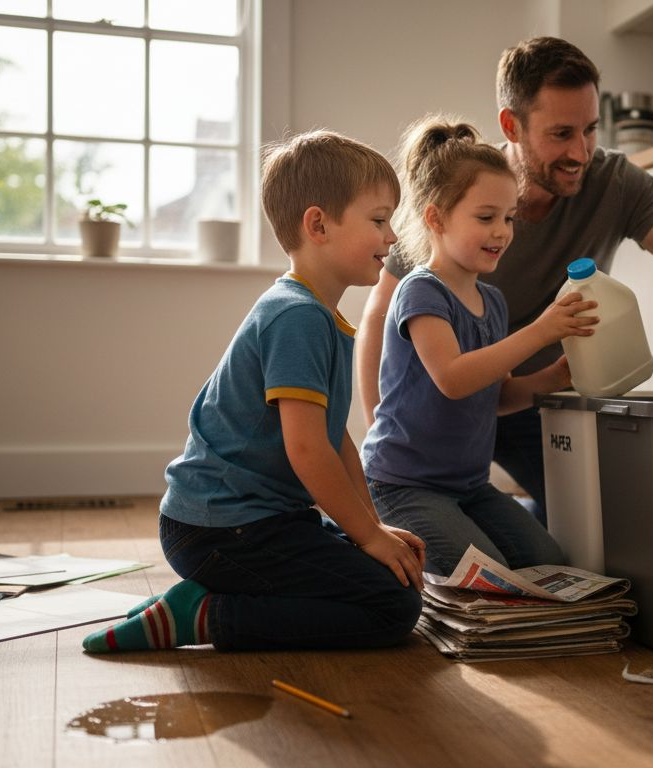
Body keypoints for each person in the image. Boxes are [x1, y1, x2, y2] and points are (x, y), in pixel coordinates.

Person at [355, 37, 653, 526]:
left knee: (591, 522)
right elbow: (380, 319)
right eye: (561, 133)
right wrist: (383, 460)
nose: (581, 152)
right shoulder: (462, 196)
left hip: (531, 399)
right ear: (511, 125)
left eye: (590, 129)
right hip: (435, 415)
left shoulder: (613, 182)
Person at [83, 129, 425, 653]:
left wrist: (372, 530)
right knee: (391, 607)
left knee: (391, 573)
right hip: (219, 531)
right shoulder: (297, 318)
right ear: (318, 225)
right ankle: (205, 615)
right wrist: (369, 539)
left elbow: (334, 442)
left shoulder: (318, 315)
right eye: (379, 221)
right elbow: (308, 452)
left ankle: (195, 601)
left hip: (251, 524)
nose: (392, 238)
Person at [360, 116, 598, 576]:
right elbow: (453, 378)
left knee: (547, 563)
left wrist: (552, 378)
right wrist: (541, 330)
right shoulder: (420, 291)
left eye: (508, 218)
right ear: (435, 217)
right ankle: (360, 536)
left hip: (468, 486)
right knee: (483, 573)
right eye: (486, 217)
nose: (502, 232)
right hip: (403, 484)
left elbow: (496, 395)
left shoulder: (492, 301)